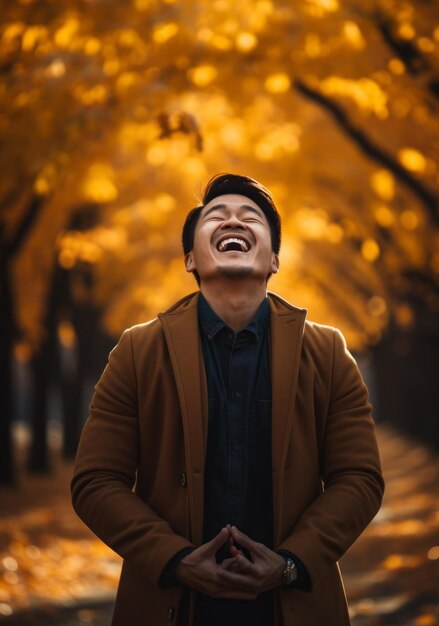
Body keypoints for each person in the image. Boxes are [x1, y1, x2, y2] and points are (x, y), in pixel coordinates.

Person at [71, 173, 384, 626]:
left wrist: (290, 563)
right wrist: (175, 559)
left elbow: (360, 478)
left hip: (290, 607)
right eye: (215, 216)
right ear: (189, 258)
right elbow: (95, 481)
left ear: (274, 259)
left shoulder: (328, 353)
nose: (233, 221)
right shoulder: (138, 352)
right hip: (171, 606)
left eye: (250, 217)